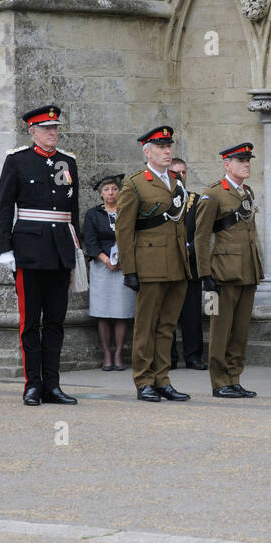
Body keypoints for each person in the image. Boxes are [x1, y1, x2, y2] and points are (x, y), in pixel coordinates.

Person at [0, 105, 80, 406]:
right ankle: (33, 384)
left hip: (60, 251)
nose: (52, 133)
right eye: (46, 129)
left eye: (55, 128)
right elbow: (5, 207)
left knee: (56, 321)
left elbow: (73, 212)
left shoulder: (68, 162)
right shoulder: (17, 160)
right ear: (32, 132)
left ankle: (53, 385)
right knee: (30, 321)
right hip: (29, 251)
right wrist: (4, 249)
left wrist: (77, 251)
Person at [115, 127, 192, 402]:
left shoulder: (177, 181)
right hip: (149, 264)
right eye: (161, 146)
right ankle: (144, 380)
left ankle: (162, 379)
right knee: (146, 326)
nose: (167, 150)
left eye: (169, 146)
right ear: (147, 151)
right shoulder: (136, 183)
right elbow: (124, 229)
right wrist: (130, 269)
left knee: (167, 325)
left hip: (176, 264)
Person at [195, 142, 263, 399]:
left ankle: (234, 378)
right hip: (222, 273)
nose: (246, 164)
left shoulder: (248, 192)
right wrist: (205, 275)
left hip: (247, 270)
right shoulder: (213, 194)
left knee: (240, 330)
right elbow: (201, 237)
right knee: (220, 329)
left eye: (248, 160)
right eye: (240, 160)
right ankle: (219, 381)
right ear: (227, 164)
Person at [83, 174, 133, 371]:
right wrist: (106, 260)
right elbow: (91, 242)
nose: (110, 193)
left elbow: (133, 236)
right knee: (103, 312)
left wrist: (123, 259)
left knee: (121, 312)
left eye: (114, 189)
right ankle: (107, 354)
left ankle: (119, 353)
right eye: (106, 190)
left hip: (124, 265)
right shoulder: (93, 214)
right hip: (101, 266)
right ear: (101, 193)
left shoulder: (127, 212)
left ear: (119, 191)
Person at [168, 156, 205, 371]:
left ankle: (193, 356)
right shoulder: (163, 199)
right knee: (168, 314)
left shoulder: (196, 200)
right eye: (176, 173)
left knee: (192, 314)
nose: (180, 176)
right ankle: (169, 357)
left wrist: (191, 248)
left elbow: (202, 231)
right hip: (169, 264)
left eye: (183, 172)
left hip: (191, 265)